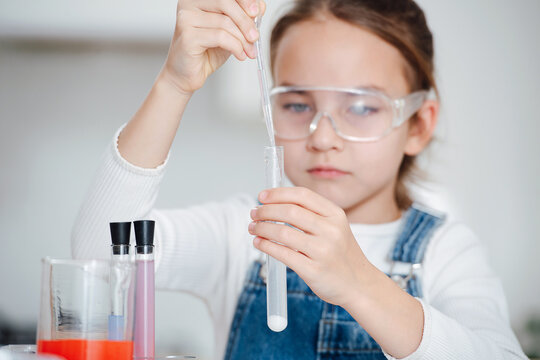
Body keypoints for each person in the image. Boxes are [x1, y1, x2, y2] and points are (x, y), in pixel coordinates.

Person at [72, 0, 527, 359]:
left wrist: (360, 283)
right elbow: (101, 250)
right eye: (296, 104)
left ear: (418, 125)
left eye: (363, 106)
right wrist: (173, 84)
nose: (322, 137)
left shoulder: (446, 251)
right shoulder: (243, 231)